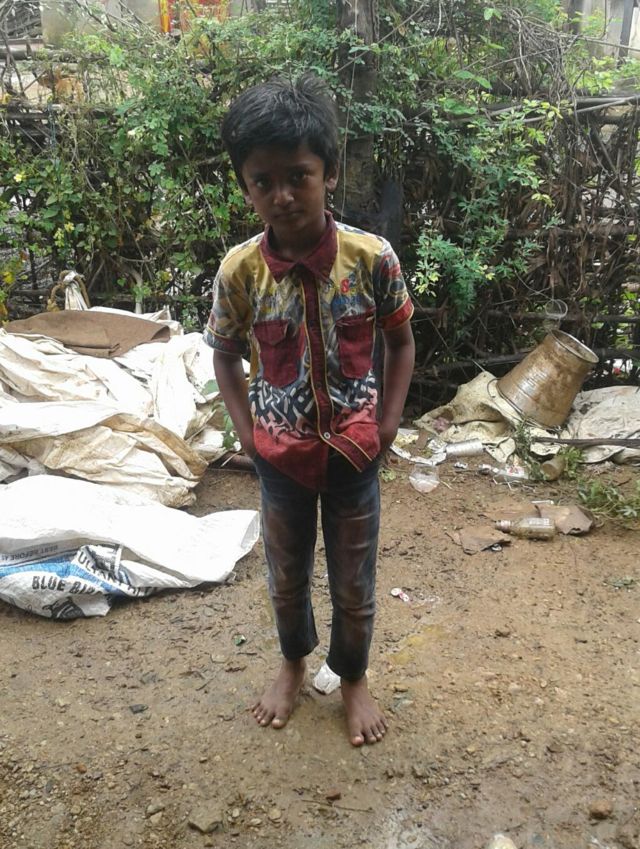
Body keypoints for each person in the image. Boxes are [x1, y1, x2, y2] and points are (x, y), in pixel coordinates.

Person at [204, 74, 415, 746]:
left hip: (355, 455)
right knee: (286, 575)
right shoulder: (240, 272)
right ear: (245, 187)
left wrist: (387, 424)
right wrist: (249, 435)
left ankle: (352, 677)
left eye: (299, 175)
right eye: (263, 181)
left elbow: (401, 341)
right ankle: (293, 664)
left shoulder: (371, 258)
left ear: (329, 173)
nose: (283, 195)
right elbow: (224, 357)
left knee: (355, 582)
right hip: (280, 462)